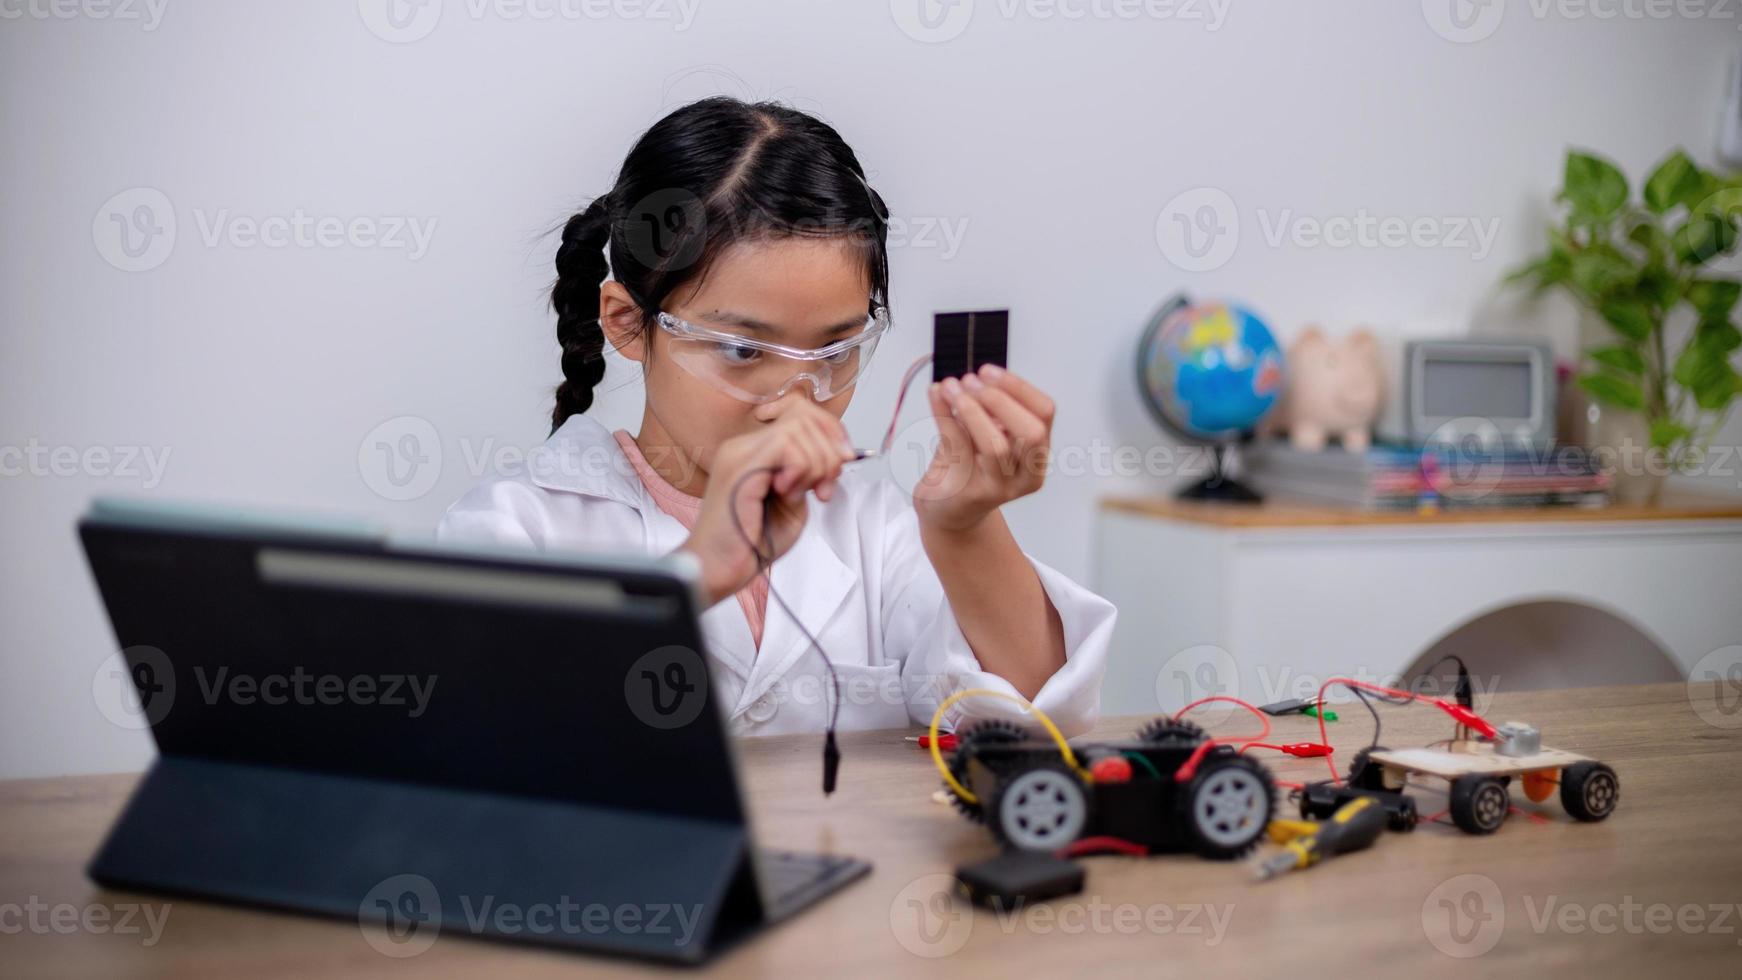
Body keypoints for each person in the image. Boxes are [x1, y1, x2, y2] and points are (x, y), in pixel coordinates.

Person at [438, 97, 1115, 736]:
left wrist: (965, 529)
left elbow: (1036, 719)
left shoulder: (877, 532)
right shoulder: (518, 528)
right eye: (741, 350)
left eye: (835, 351)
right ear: (624, 322)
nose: (796, 398)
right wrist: (699, 570)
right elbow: (486, 739)